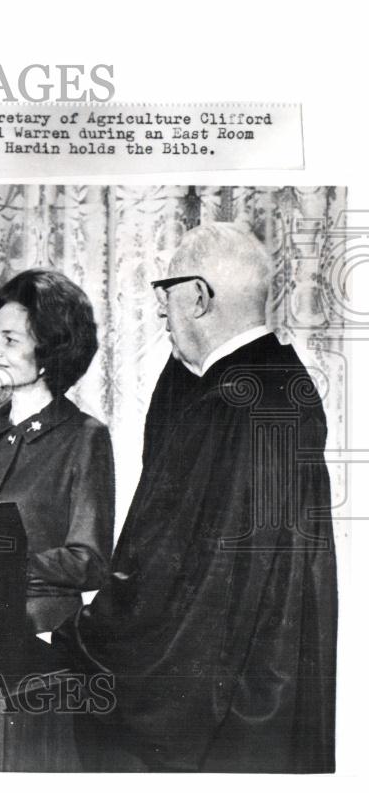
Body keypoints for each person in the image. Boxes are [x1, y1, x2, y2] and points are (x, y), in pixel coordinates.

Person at [60, 222, 337, 772]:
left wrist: (75, 639)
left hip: (214, 721)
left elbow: (171, 580)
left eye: (165, 292)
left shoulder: (228, 407)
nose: (161, 311)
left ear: (199, 295)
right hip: (267, 696)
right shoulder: (280, 385)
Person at [0, 269, 114, 635]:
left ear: (49, 346)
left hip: (41, 636)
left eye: (9, 340)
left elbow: (89, 561)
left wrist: (5, 564)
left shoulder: (85, 437)